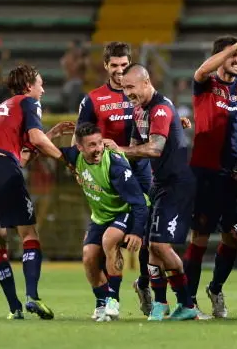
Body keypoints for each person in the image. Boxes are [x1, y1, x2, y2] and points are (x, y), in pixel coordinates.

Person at [0, 65, 74, 319]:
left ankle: (14, 307)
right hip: (1, 167)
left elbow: (21, 157)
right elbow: (35, 140)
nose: (43, 89)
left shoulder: (1, 109)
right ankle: (32, 296)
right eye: (40, 83)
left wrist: (51, 134)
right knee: (28, 233)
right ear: (28, 86)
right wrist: (67, 160)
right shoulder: (29, 102)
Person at [104, 64, 197, 321]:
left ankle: (187, 303)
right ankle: (161, 304)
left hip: (177, 184)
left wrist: (118, 149)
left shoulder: (161, 109)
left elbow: (154, 149)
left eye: (131, 87)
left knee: (159, 245)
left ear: (146, 82)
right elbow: (135, 151)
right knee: (150, 245)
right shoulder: (139, 111)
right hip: (159, 184)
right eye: (124, 89)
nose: (127, 94)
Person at [183, 32, 237, 318]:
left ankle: (215, 288)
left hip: (231, 173)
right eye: (233, 55)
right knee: (200, 237)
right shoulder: (205, 84)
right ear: (220, 58)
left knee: (231, 237)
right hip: (204, 171)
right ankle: (188, 302)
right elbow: (202, 70)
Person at [76, 42, 154, 316]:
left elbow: (158, 122)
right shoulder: (94, 99)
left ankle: (144, 284)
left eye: (124, 65)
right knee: (98, 248)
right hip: (108, 177)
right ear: (106, 66)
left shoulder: (142, 94)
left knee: (146, 240)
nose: (120, 72)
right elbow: (80, 138)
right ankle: (106, 301)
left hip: (140, 173)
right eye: (115, 66)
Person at [61, 123, 149, 322]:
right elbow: (43, 147)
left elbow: (139, 203)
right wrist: (54, 132)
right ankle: (101, 303)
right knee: (88, 256)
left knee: (110, 240)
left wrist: (136, 232)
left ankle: (113, 300)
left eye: (100, 143)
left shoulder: (116, 164)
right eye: (92, 145)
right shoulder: (74, 158)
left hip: (125, 212)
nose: (98, 148)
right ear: (80, 148)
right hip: (100, 216)